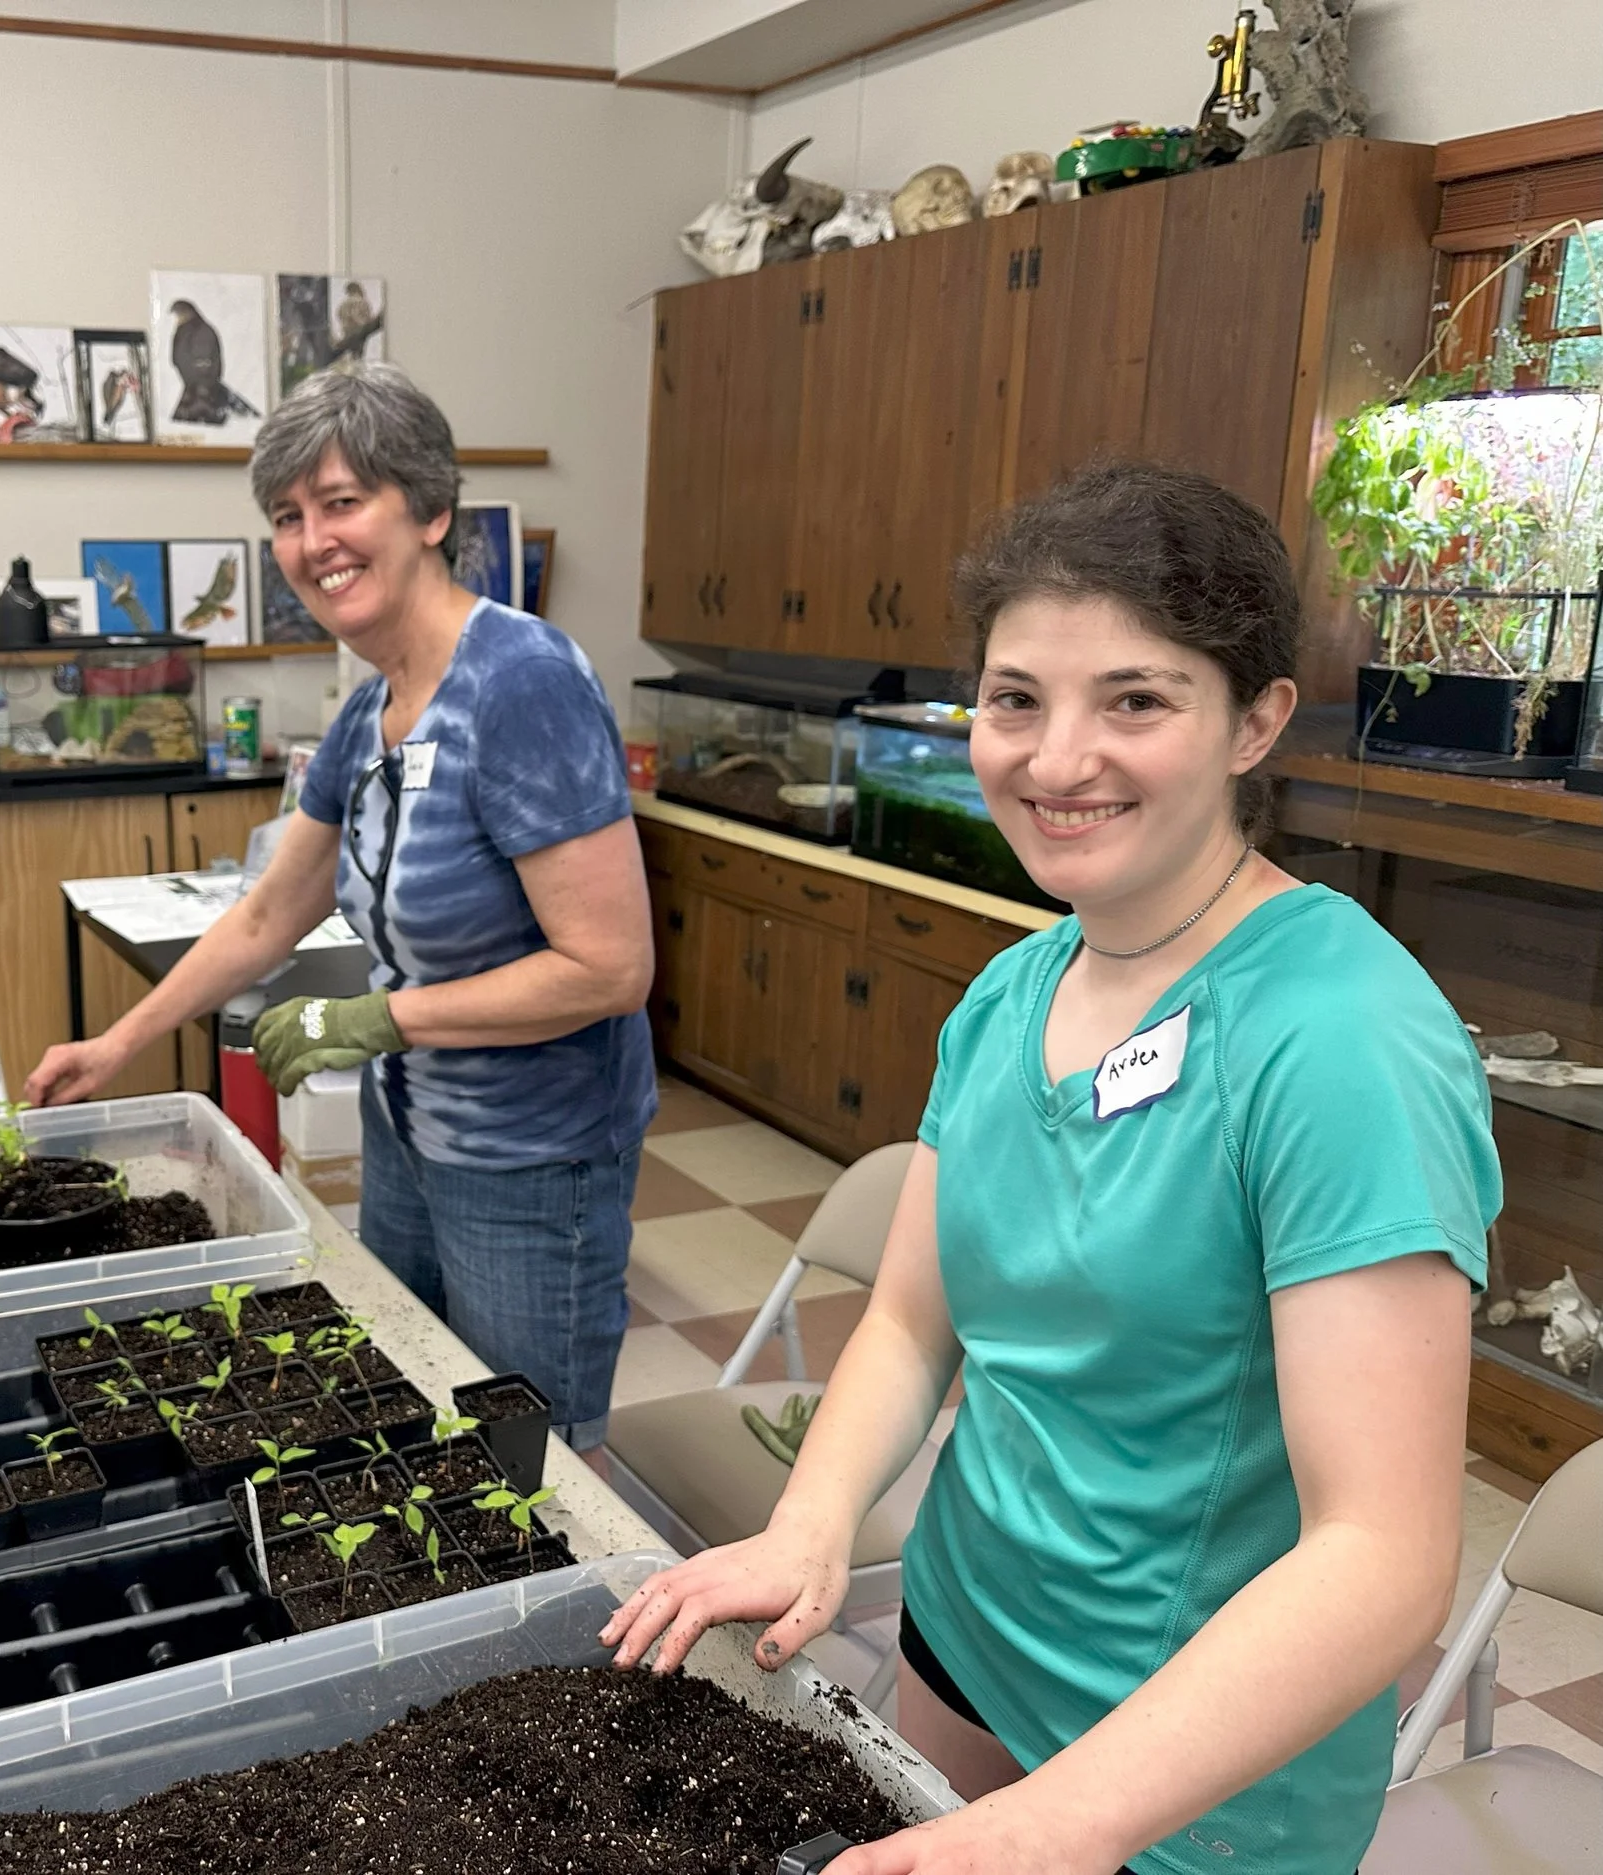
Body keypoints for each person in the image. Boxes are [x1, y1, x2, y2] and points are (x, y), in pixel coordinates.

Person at [600, 462, 1501, 1875]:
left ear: (1256, 721)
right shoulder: (1011, 995)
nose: (1055, 757)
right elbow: (914, 1321)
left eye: (1135, 700)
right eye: (1015, 698)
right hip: (965, 1638)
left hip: (1191, 1772)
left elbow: (1383, 1556)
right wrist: (812, 1524)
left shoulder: (1343, 1039)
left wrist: (1064, 1817)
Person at [26, 363, 656, 1448]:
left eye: (342, 501)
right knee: (413, 1408)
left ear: (430, 510)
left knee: (528, 1459)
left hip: (530, 1157)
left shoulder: (524, 683)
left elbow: (609, 968)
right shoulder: (371, 712)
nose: (314, 540)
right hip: (408, 1132)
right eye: (287, 516)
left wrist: (376, 1018)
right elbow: (266, 917)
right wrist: (118, 1043)